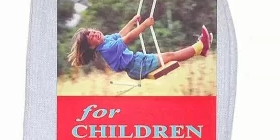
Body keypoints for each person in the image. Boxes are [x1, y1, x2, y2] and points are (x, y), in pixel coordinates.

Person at [68, 15, 212, 80]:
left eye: (92, 31)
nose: (95, 34)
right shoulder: (107, 49)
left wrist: (132, 21)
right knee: (170, 55)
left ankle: (202, 50)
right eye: (91, 37)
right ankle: (200, 45)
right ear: (92, 46)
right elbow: (128, 38)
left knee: (169, 55)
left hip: (136, 62)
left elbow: (121, 34)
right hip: (136, 66)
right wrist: (144, 25)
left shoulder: (106, 40)